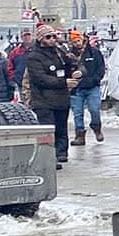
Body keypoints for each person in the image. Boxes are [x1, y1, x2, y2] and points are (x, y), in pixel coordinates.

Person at [22, 27, 79, 167]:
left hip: (61, 98)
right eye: (48, 37)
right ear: (41, 39)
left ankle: (61, 153)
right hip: (43, 100)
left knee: (61, 127)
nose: (52, 40)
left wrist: (77, 72)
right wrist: (63, 82)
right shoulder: (34, 56)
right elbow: (40, 78)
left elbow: (74, 64)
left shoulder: (60, 52)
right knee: (48, 130)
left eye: (54, 36)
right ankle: (49, 157)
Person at [70, 33, 107, 145]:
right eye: (74, 42)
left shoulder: (94, 52)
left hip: (92, 86)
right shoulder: (70, 55)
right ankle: (79, 134)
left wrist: (95, 80)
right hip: (77, 88)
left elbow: (101, 68)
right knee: (77, 113)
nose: (77, 43)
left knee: (94, 109)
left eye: (78, 40)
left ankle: (96, 127)